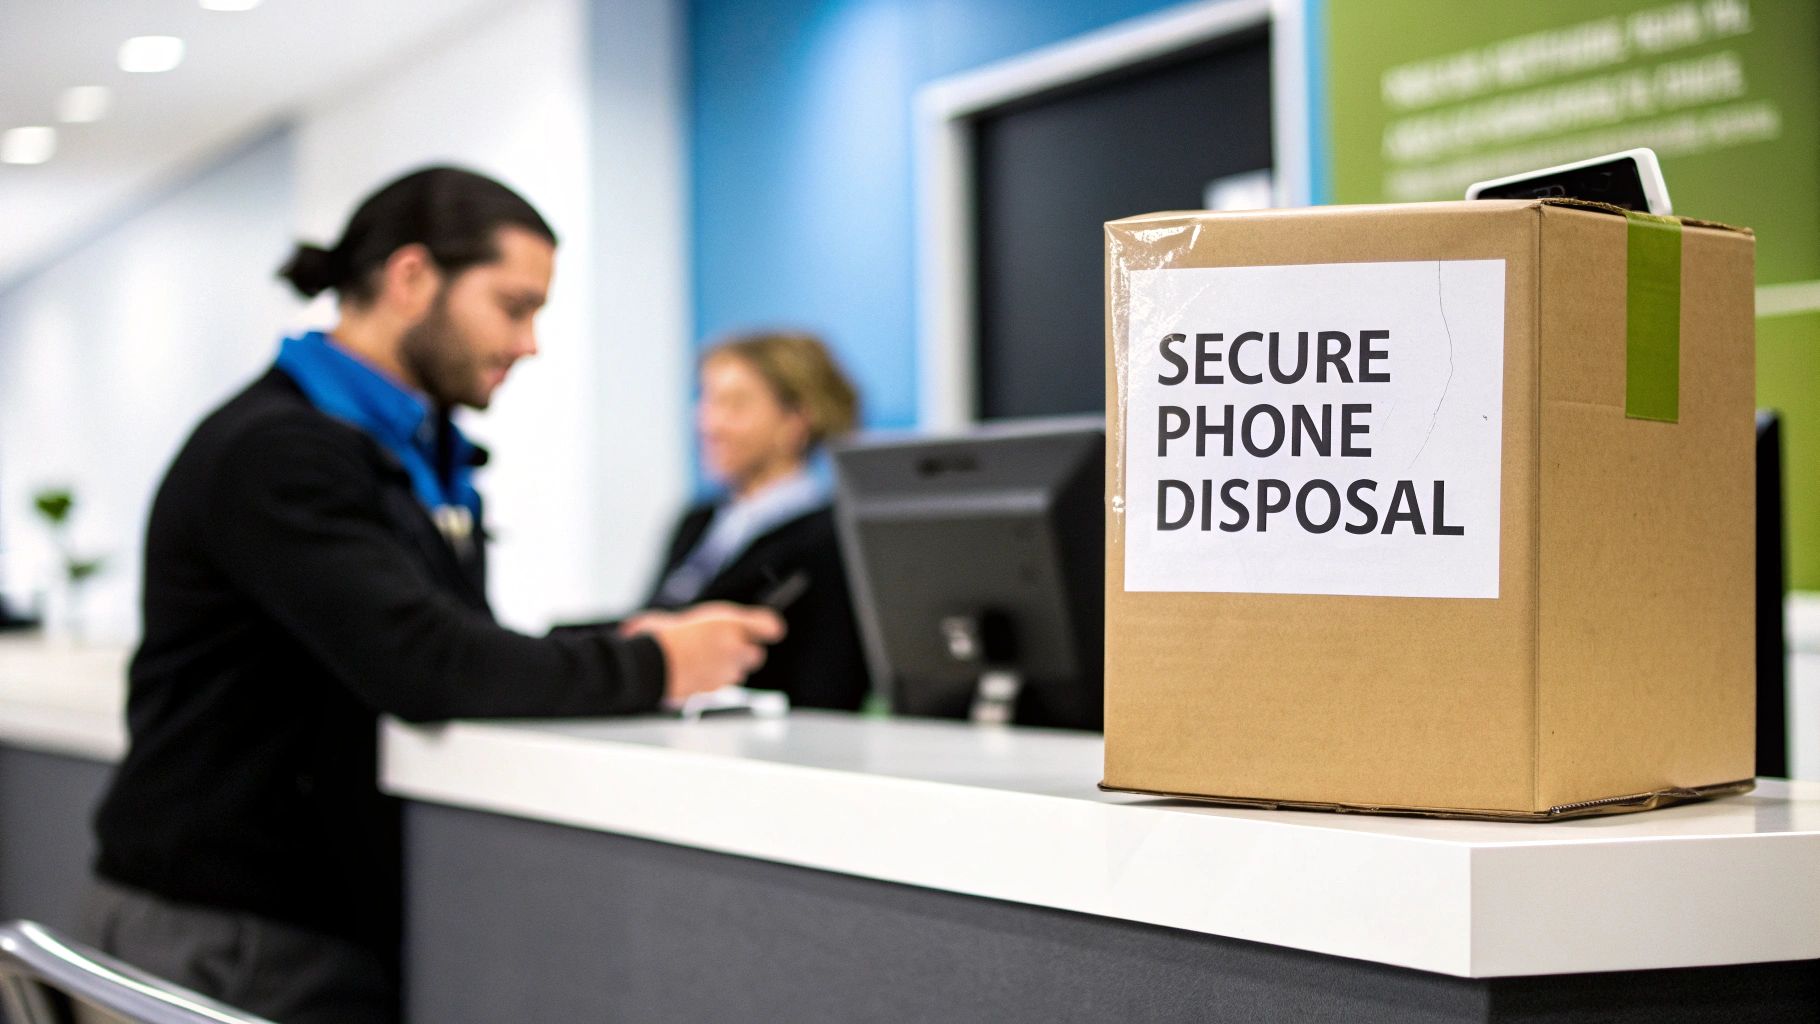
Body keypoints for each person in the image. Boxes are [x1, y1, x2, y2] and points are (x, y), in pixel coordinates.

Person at [79, 166, 782, 1024]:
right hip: (232, 934)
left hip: (291, 923)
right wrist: (655, 663)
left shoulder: (409, 449)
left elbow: (444, 632)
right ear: (412, 278)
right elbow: (424, 662)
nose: (529, 344)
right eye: (515, 306)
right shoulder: (280, 452)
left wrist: (623, 637)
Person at [630, 332, 870, 711]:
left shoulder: (833, 540)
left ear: (795, 421)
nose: (710, 423)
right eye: (707, 399)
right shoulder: (696, 521)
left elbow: (826, 688)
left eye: (735, 405)